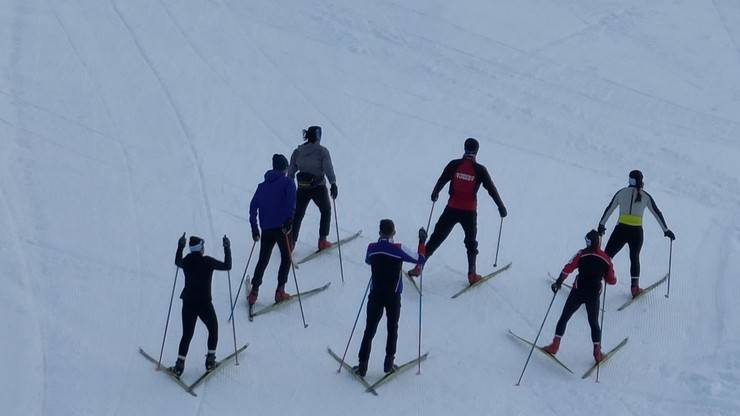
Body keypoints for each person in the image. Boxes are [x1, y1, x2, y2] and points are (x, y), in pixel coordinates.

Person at [408, 138, 507, 284]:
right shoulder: (480, 170)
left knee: (436, 238)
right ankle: (472, 275)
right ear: (477, 151)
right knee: (471, 243)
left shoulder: (454, 164)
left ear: (464, 148)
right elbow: (491, 189)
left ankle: (419, 266)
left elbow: (442, 179)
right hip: (469, 212)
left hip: (452, 208)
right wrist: (501, 207)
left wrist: (435, 192)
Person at [353, 219, 427, 377]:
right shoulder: (398, 248)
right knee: (392, 328)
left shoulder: (371, 248)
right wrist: (422, 241)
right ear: (393, 232)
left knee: (369, 329)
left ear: (379, 232)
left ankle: (362, 365)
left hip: (375, 295)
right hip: (393, 296)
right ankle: (388, 363)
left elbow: (368, 261)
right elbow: (420, 259)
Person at [597, 170, 675, 297]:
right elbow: (657, 213)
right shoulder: (645, 196)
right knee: (634, 258)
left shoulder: (621, 193)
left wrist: (601, 225)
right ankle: (635, 288)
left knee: (606, 256)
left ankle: (595, 282)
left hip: (620, 230)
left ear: (629, 180)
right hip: (636, 233)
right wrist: (666, 230)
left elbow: (609, 208)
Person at [543, 230, 616, 363]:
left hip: (578, 291)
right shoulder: (606, 259)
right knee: (594, 323)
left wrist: (559, 282)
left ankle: (555, 345)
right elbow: (612, 281)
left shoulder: (581, 254)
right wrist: (606, 276)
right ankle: (597, 353)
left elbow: (568, 268)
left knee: (564, 317)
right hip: (593, 295)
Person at [170, 233, 232, 377]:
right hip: (204, 304)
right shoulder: (207, 261)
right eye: (203, 246)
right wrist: (227, 249)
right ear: (200, 248)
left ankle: (179, 366)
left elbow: (177, 261)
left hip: (188, 302)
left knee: (187, 334)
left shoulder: (186, 260)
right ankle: (210, 361)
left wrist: (180, 246)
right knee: (213, 329)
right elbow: (227, 266)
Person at [248, 154, 297, 306]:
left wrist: (255, 229)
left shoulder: (261, 186)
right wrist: (289, 221)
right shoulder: (288, 183)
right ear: (284, 167)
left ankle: (254, 292)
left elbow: (252, 208)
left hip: (266, 230)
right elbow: (291, 204)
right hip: (283, 229)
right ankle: (280, 291)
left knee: (263, 260)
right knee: (286, 258)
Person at [287, 125, 338, 251]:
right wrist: (333, 183)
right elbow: (328, 169)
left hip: (302, 188)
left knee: (298, 214)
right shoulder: (322, 151)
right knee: (325, 211)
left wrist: (289, 187)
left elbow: (291, 171)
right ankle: (322, 241)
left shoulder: (298, 151)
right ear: (318, 136)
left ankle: (291, 244)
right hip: (318, 187)